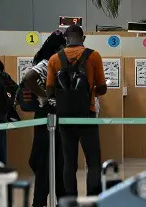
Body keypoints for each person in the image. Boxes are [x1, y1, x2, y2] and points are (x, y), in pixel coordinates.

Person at [46, 25, 107, 197]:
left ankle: (70, 204)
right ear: (83, 38)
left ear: (66, 39)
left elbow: (50, 91)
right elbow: (102, 88)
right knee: (93, 162)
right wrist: (92, 89)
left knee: (69, 162)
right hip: (87, 115)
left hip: (65, 117)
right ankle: (92, 202)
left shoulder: (54, 59)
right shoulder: (93, 56)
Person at [23, 30, 67, 207]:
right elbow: (28, 78)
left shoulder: (53, 62)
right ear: (58, 47)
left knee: (58, 160)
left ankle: (62, 203)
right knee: (45, 160)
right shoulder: (47, 62)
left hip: (51, 115)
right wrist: (45, 97)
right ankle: (37, 205)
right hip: (47, 115)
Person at [0, 56, 16, 165]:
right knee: (1, 144)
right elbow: (16, 89)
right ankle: (2, 167)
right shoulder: (4, 75)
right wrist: (10, 100)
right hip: (3, 113)